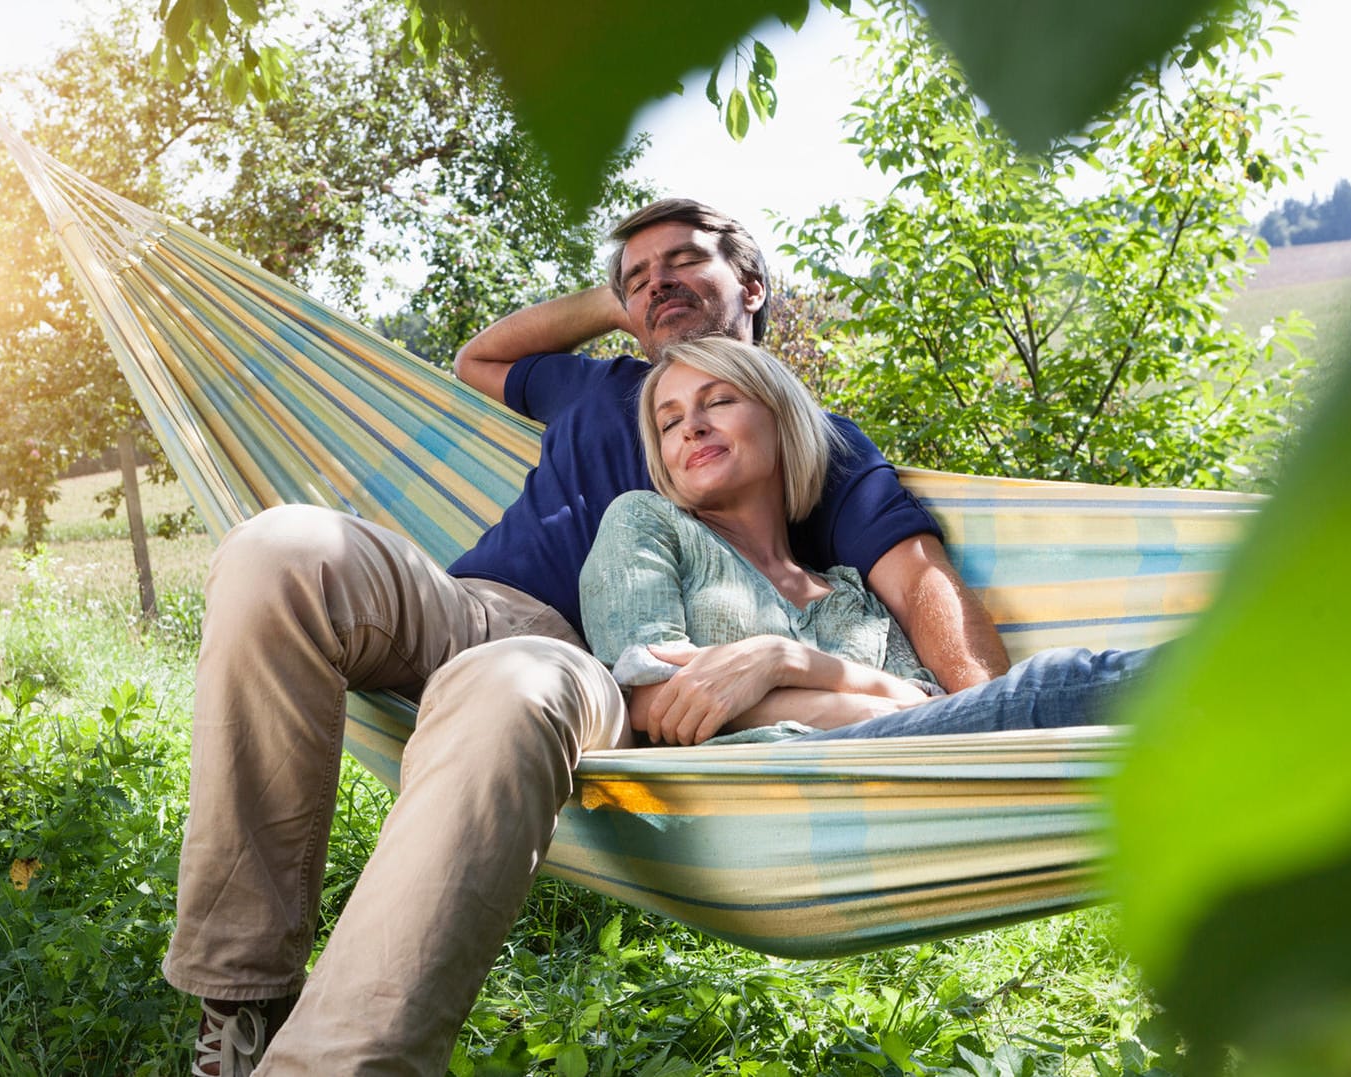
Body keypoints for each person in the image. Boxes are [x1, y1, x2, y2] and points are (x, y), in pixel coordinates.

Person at [165, 199, 1009, 1077]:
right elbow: (478, 357)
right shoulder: (595, 383)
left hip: (595, 669)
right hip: (472, 605)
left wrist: (992, 721)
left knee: (511, 682)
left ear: (753, 284)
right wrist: (626, 303)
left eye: (684, 263)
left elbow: (917, 580)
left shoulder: (805, 442)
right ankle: (243, 994)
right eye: (635, 276)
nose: (657, 284)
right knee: (279, 549)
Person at [579, 335, 1150, 749]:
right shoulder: (645, 520)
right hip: (763, 784)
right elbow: (650, 701)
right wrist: (861, 694)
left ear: (784, 422)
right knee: (1054, 687)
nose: (692, 427)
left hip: (905, 767)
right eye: (669, 421)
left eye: (719, 401)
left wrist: (780, 661)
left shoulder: (851, 594)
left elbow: (930, 704)